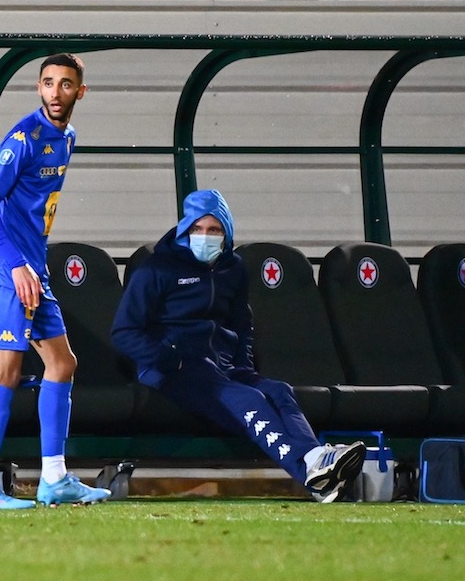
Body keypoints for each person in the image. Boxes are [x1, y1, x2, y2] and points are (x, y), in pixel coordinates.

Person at [111, 189, 366, 503]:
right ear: (184, 229)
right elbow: (124, 332)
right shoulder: (156, 269)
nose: (204, 236)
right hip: (170, 369)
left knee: (279, 390)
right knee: (248, 398)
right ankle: (312, 471)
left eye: (214, 230)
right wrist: (170, 359)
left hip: (222, 366)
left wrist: (242, 363)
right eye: (197, 229)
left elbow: (242, 324)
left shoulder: (234, 269)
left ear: (226, 233)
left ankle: (315, 463)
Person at [0, 53, 111, 509]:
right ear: (38, 88)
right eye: (48, 83)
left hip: (33, 266)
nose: (55, 92)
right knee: (4, 371)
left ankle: (54, 478)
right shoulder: (22, 138)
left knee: (62, 364)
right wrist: (16, 266)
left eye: (66, 85)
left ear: (79, 92)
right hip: (9, 269)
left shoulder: (67, 137)